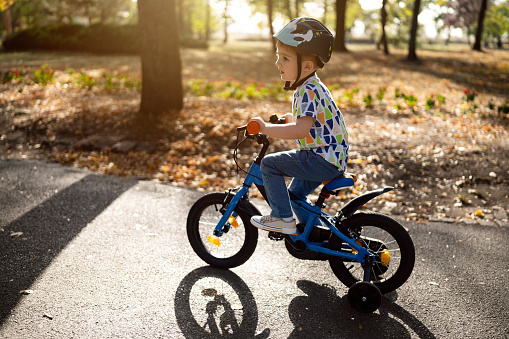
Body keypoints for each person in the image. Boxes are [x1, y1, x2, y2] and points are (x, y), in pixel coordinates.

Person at [249, 17, 350, 235]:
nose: (278, 64)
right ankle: (314, 233)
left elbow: (300, 130)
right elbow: (310, 123)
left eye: (285, 58)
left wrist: (265, 127)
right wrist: (289, 119)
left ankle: (282, 218)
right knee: (295, 195)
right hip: (330, 156)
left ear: (306, 65)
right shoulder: (314, 86)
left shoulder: (305, 90)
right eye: (278, 57)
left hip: (320, 158)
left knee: (269, 165)